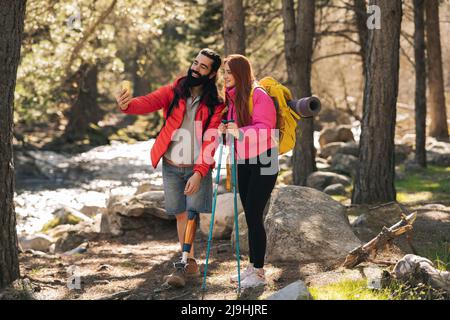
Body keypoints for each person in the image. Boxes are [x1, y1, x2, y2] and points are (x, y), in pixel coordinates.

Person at [116, 48, 225, 288]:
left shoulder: (216, 105)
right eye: (195, 63)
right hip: (172, 165)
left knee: (192, 214)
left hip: (197, 166)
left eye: (203, 66)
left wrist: (199, 173)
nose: (195, 68)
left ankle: (184, 263)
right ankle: (191, 261)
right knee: (181, 214)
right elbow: (147, 102)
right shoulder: (175, 91)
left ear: (212, 73)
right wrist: (126, 105)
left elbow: (211, 140)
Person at [219, 54, 279, 289]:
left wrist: (239, 130)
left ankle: (259, 272)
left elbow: (266, 129)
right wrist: (226, 131)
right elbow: (237, 134)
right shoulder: (232, 98)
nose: (225, 77)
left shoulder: (258, 94)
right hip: (243, 160)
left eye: (229, 72)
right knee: (250, 213)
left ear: (241, 73)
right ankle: (253, 267)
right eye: (223, 72)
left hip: (265, 159)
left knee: (254, 214)